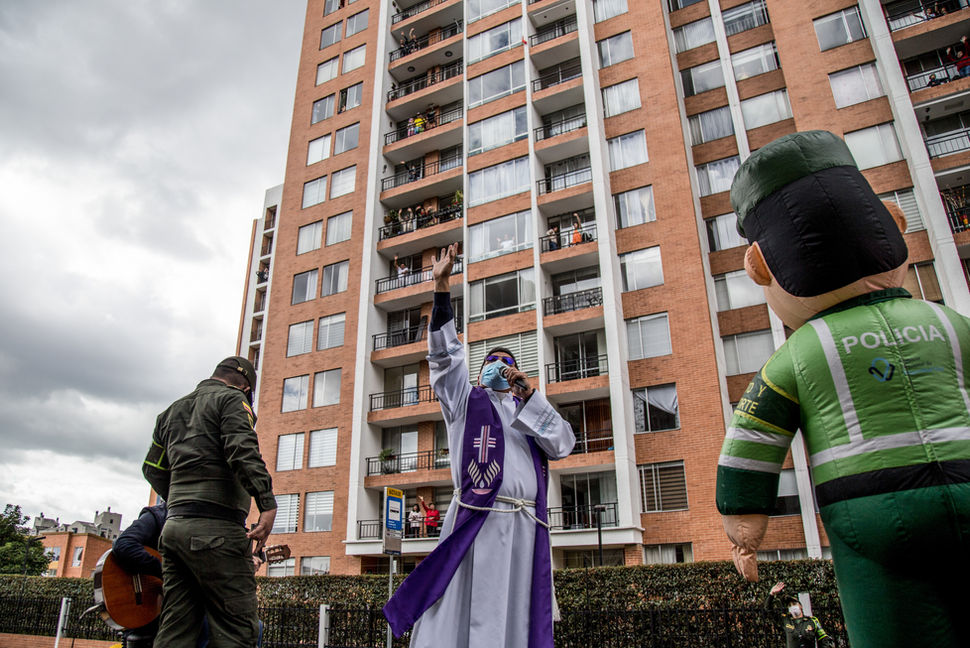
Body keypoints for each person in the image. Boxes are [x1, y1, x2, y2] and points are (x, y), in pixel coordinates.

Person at [715, 131, 970, 648]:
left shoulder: (799, 353)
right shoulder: (949, 323)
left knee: (891, 627)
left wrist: (745, 530)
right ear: (894, 225)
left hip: (869, 507)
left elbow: (751, 440)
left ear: (759, 266)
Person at [383, 242, 575, 648]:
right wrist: (441, 287)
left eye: (507, 363)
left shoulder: (530, 411)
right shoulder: (465, 403)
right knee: (465, 614)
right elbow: (445, 360)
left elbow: (562, 444)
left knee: (517, 618)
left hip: (526, 527)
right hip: (478, 520)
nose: (499, 367)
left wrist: (530, 395)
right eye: (492, 361)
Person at [143, 356, 276, 648]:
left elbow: (152, 469)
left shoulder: (169, 412)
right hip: (217, 530)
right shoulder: (232, 400)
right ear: (245, 387)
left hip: (174, 531)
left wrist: (180, 501)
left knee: (176, 630)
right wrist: (267, 504)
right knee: (236, 631)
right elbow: (242, 450)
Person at [765, 583, 834, 648]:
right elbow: (768, 609)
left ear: (800, 606)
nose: (792, 606)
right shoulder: (786, 620)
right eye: (790, 605)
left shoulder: (812, 621)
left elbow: (823, 638)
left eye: (794, 604)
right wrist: (771, 594)